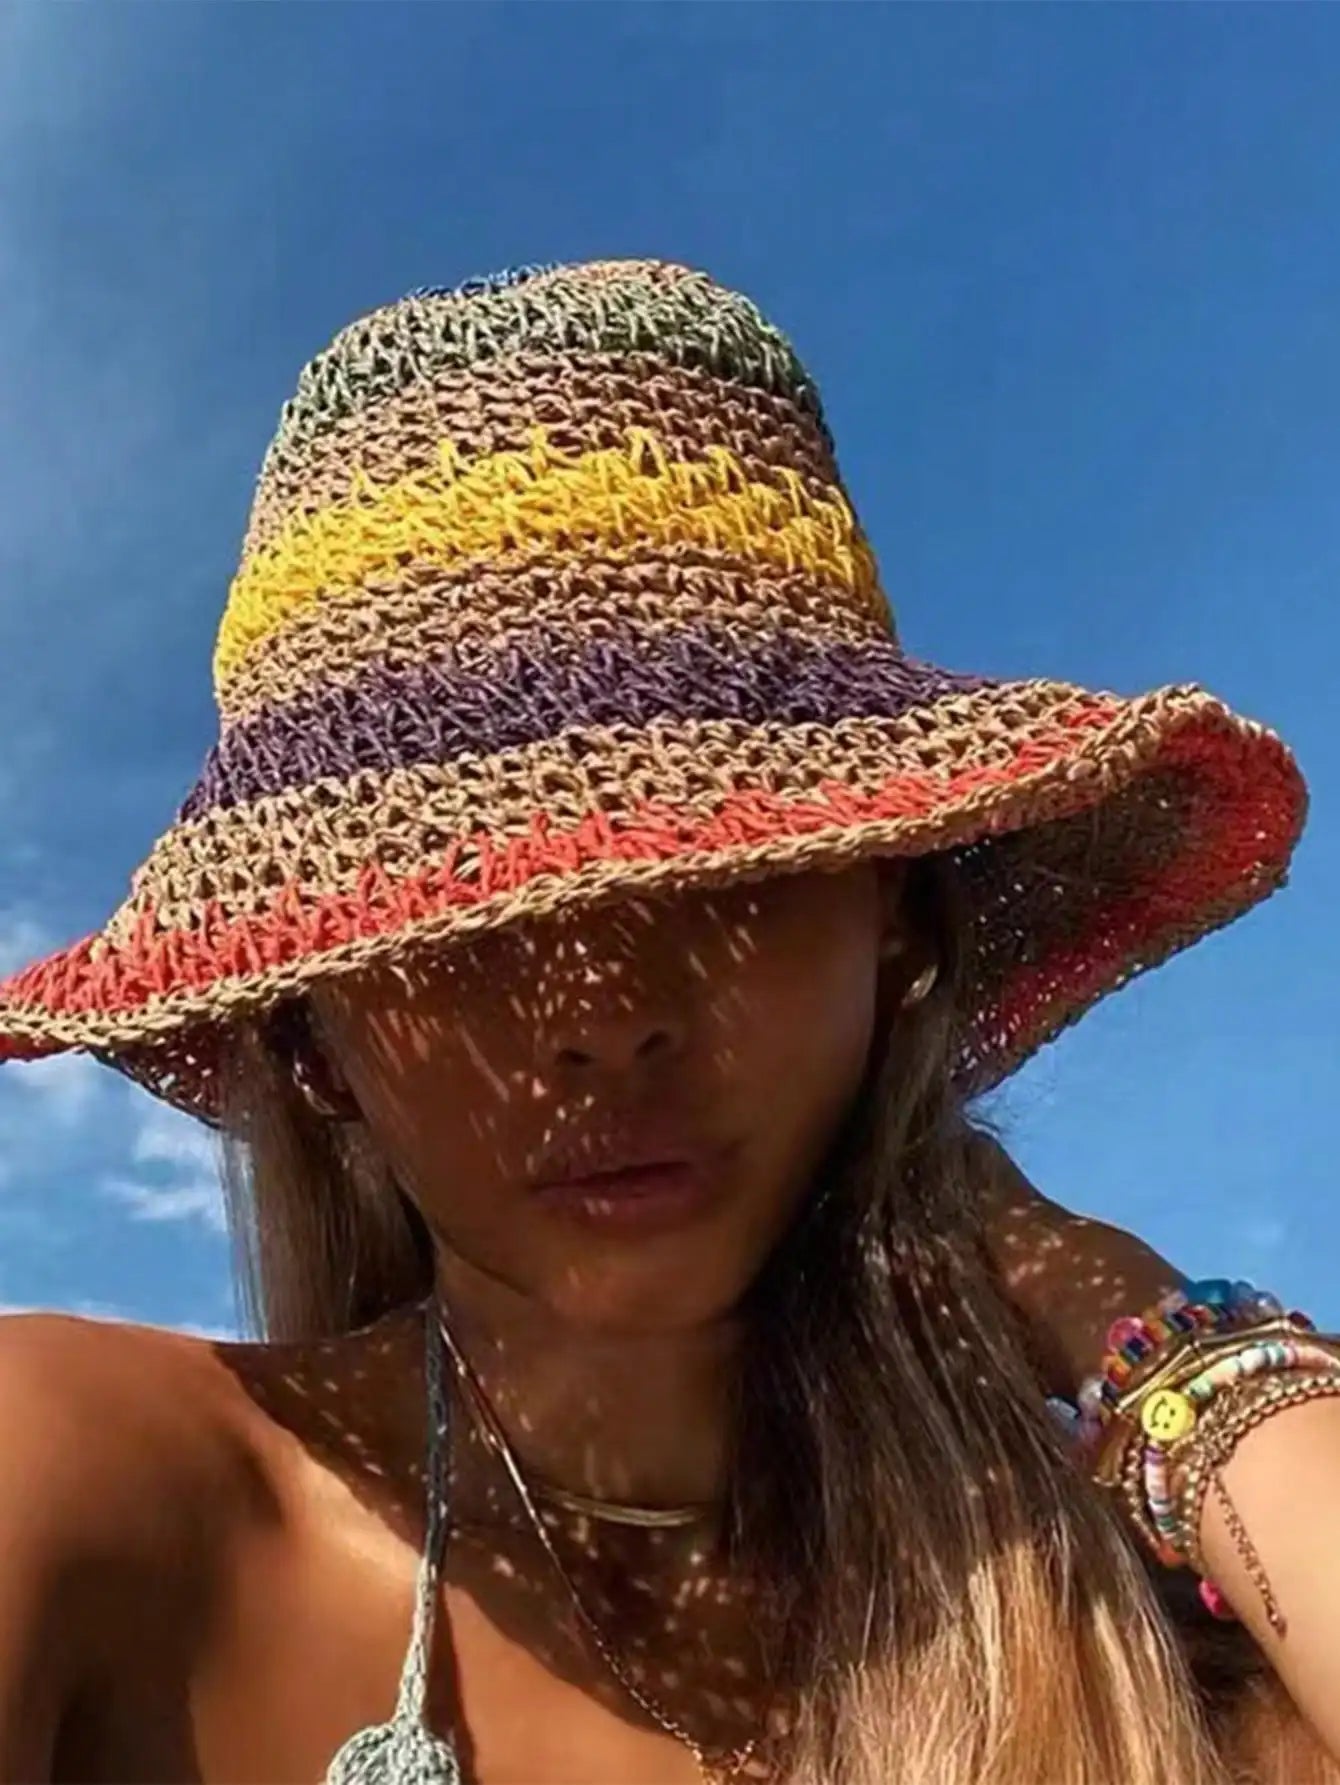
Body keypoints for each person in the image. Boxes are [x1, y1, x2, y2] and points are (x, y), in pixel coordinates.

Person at [0, 258, 1332, 1785]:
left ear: (897, 918)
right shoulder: (87, 1493)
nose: (607, 1015)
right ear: (311, 1039)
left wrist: (1143, 1324)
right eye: (461, 904)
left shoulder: (1159, 1616)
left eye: (730, 871)